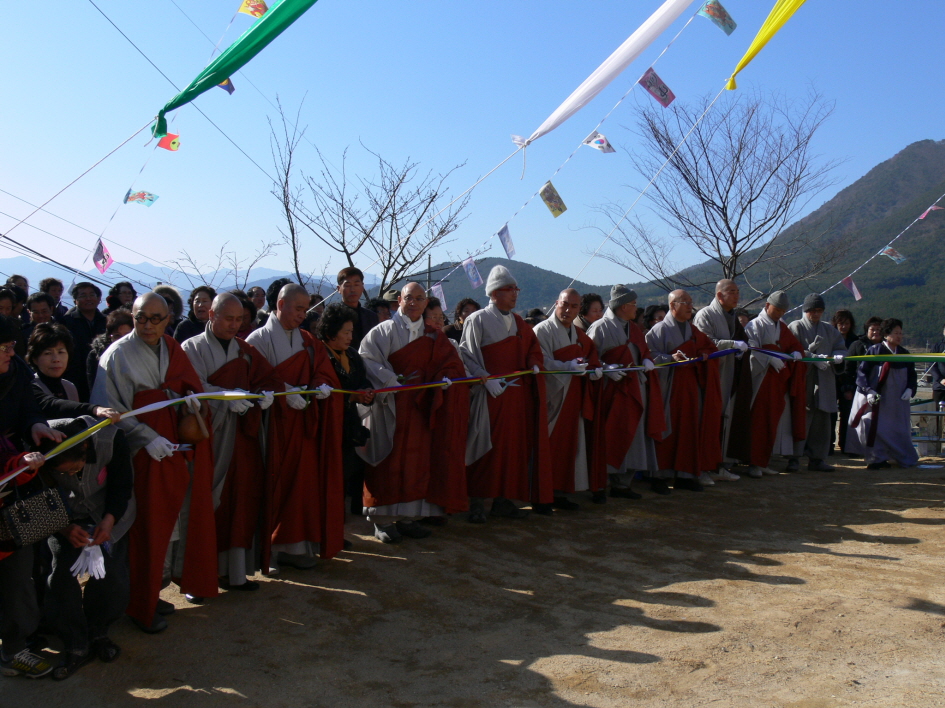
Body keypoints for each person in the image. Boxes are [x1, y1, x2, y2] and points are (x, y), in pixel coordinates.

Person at [91, 293, 218, 633]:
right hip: (138, 456)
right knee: (144, 527)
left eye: (156, 318)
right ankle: (137, 603)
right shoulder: (117, 355)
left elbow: (189, 386)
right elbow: (110, 411)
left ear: (168, 319)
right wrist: (146, 437)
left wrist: (191, 401)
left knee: (170, 524)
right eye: (140, 318)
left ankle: (154, 590)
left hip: (171, 450)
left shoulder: (171, 347)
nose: (147, 325)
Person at [182, 293, 280, 590]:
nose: (234, 325)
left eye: (239, 320)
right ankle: (197, 578)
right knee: (204, 502)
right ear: (211, 315)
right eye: (228, 318)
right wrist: (224, 398)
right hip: (209, 437)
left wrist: (265, 395)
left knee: (240, 502)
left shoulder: (245, 350)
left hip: (243, 438)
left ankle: (235, 573)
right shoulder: (192, 348)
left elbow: (267, 380)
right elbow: (191, 389)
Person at [246, 283, 344, 573]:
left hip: (303, 424)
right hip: (272, 425)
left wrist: (321, 386)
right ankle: (268, 552)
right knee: (272, 485)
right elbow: (253, 380)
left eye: (305, 309)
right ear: (280, 304)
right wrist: (285, 392)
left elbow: (322, 371)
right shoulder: (257, 339)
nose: (303, 315)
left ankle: (295, 546)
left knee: (302, 486)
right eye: (298, 309)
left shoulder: (307, 340)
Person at [358, 283, 468, 542]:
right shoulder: (384, 331)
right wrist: (389, 379)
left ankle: (409, 517)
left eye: (420, 299)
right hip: (390, 407)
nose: (414, 303)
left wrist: (446, 378)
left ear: (425, 302)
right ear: (400, 300)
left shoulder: (434, 336)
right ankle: (382, 520)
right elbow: (366, 358)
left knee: (417, 463)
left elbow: (451, 363)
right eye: (409, 298)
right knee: (388, 462)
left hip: (420, 407)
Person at [41, 416, 133, 679]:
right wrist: (63, 527)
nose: (71, 475)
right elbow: (39, 495)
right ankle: (75, 642)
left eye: (75, 468)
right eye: (64, 474)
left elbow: (122, 485)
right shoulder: (38, 451)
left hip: (108, 514)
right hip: (63, 518)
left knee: (111, 575)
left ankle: (98, 631)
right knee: (60, 577)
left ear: (84, 449)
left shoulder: (111, 440)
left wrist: (109, 521)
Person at [460, 266, 552, 522]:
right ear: (494, 293)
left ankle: (503, 500)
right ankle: (476, 503)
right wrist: (484, 378)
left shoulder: (520, 322)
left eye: (516, 289)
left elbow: (533, 349)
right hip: (489, 395)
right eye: (510, 289)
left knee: (512, 449)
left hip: (515, 397)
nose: (515, 294)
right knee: (484, 447)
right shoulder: (477, 319)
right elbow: (466, 355)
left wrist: (534, 363)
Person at [0, 314, 64, 678]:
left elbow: (28, 408)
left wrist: (36, 425)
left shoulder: (17, 371)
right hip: (10, 469)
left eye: (12, 346)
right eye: (4, 348)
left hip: (16, 486)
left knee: (20, 568)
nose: (11, 353)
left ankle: (16, 644)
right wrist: (13, 462)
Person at [586, 285, 665, 497]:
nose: (636, 309)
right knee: (611, 434)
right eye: (633, 304)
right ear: (623, 306)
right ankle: (601, 483)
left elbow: (644, 351)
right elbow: (588, 357)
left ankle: (623, 484)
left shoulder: (634, 329)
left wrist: (646, 359)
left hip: (635, 389)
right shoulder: (600, 327)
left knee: (634, 436)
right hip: (611, 391)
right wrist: (605, 368)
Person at [533, 289, 604, 509]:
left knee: (568, 446)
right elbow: (540, 361)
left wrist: (595, 369)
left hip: (573, 396)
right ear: (556, 303)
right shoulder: (542, 330)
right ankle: (540, 496)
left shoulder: (578, 334)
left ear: (579, 309)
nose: (568, 310)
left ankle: (560, 492)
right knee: (547, 446)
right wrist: (566, 366)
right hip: (552, 397)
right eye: (564, 304)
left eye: (574, 306)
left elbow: (591, 356)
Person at [646, 290, 722, 492]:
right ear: (672, 306)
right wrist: (670, 358)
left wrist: (704, 354)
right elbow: (648, 356)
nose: (690, 306)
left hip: (690, 387)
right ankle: (659, 476)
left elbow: (710, 348)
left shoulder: (693, 330)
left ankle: (685, 475)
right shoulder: (659, 330)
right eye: (685, 302)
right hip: (668, 388)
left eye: (690, 302)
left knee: (689, 429)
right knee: (666, 429)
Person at [730, 291, 806, 478]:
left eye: (783, 311)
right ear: (767, 306)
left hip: (777, 381)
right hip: (760, 380)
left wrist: (797, 352)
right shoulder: (754, 325)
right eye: (777, 309)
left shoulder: (782, 326)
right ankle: (753, 463)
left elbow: (793, 345)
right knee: (758, 421)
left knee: (772, 421)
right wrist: (769, 358)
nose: (780, 314)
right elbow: (751, 349)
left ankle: (763, 461)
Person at [317, 304, 375, 520]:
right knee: (329, 476)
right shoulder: (318, 355)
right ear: (331, 332)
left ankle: (348, 514)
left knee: (349, 471)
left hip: (349, 423)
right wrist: (350, 397)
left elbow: (362, 380)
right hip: (325, 426)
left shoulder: (352, 354)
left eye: (352, 332)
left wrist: (367, 393)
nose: (351, 337)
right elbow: (319, 391)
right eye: (346, 332)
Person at [692, 279, 749, 481]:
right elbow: (705, 343)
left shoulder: (732, 316)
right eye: (731, 291)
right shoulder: (705, 314)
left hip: (728, 373)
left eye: (737, 291)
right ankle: (702, 469)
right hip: (710, 376)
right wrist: (731, 344)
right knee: (708, 419)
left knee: (723, 419)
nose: (736, 295)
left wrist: (739, 350)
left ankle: (719, 465)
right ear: (719, 295)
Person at [786, 294, 847, 472]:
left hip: (824, 380)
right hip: (803, 380)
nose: (816, 314)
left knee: (822, 422)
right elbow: (791, 350)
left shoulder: (829, 330)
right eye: (812, 310)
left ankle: (817, 459)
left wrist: (837, 358)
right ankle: (793, 458)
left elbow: (841, 348)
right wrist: (811, 357)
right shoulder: (795, 326)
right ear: (805, 310)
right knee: (799, 420)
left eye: (819, 310)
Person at [847, 318, 918, 469]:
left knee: (899, 429)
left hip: (898, 399)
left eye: (901, 333)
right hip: (879, 398)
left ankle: (903, 457)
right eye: (896, 333)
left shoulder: (904, 353)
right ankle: (876, 458)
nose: (899, 336)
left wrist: (910, 389)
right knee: (874, 427)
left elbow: (912, 375)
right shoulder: (875, 351)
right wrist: (868, 391)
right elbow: (862, 373)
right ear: (886, 334)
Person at [27, 323, 120, 422]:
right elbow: (53, 405)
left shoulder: (69, 387)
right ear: (35, 359)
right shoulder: (29, 386)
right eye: (48, 353)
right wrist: (94, 409)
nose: (56, 359)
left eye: (61, 352)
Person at [58, 282, 107, 401]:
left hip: (102, 374)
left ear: (98, 299)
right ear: (75, 300)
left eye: (92, 295)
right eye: (83, 295)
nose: (88, 298)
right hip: (76, 377)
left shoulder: (106, 321)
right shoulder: (66, 322)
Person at [831, 310, 859, 453]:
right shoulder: (830, 338)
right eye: (840, 323)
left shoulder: (856, 341)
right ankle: (828, 445)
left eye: (846, 323)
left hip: (849, 381)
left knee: (847, 413)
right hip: (831, 379)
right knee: (830, 413)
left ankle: (845, 444)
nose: (843, 326)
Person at [87, 310, 134, 393]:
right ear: (110, 336)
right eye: (117, 336)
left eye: (127, 335)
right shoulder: (97, 355)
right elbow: (95, 387)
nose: (122, 340)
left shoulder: (141, 353)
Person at [337, 267, 379, 350]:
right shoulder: (333, 316)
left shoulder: (371, 317)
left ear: (362, 287)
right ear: (339, 289)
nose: (352, 290)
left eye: (356, 285)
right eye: (347, 285)